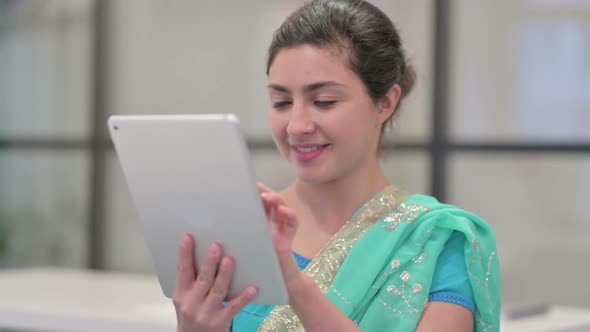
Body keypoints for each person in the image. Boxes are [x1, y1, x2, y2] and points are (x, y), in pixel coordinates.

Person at [173, 0, 501, 331]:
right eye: (282, 102)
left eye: (324, 102)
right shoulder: (240, 232)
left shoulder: (438, 242)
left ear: (386, 102)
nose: (296, 126)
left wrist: (296, 287)